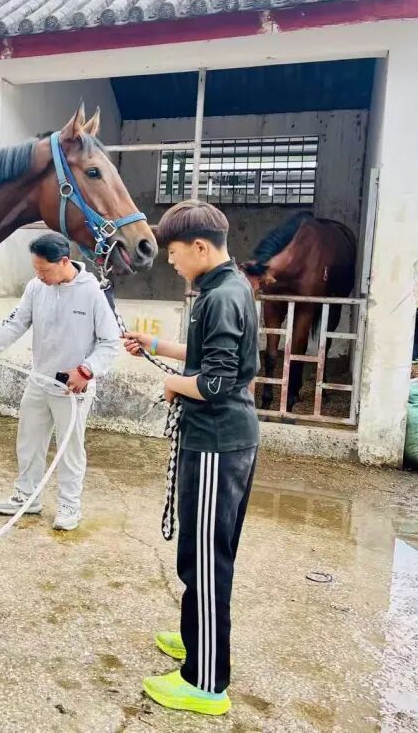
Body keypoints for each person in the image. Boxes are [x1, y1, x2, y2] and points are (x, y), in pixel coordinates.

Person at [122, 200, 259, 716]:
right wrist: (156, 344)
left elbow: (217, 381)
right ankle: (195, 636)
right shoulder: (229, 286)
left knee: (204, 559)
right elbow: (216, 359)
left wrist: (175, 385)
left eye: (175, 252)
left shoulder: (220, 297)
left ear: (200, 247)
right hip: (223, 439)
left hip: (217, 442)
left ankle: (205, 683)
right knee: (200, 552)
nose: (171, 261)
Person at [0, 233, 121, 531]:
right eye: (35, 269)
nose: (39, 275)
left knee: (69, 450)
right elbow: (16, 322)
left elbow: (109, 342)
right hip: (39, 381)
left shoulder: (92, 292)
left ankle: (69, 505)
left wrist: (86, 370)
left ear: (64, 262)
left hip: (72, 389)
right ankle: (27, 497)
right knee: (29, 442)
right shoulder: (36, 287)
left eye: (44, 269)